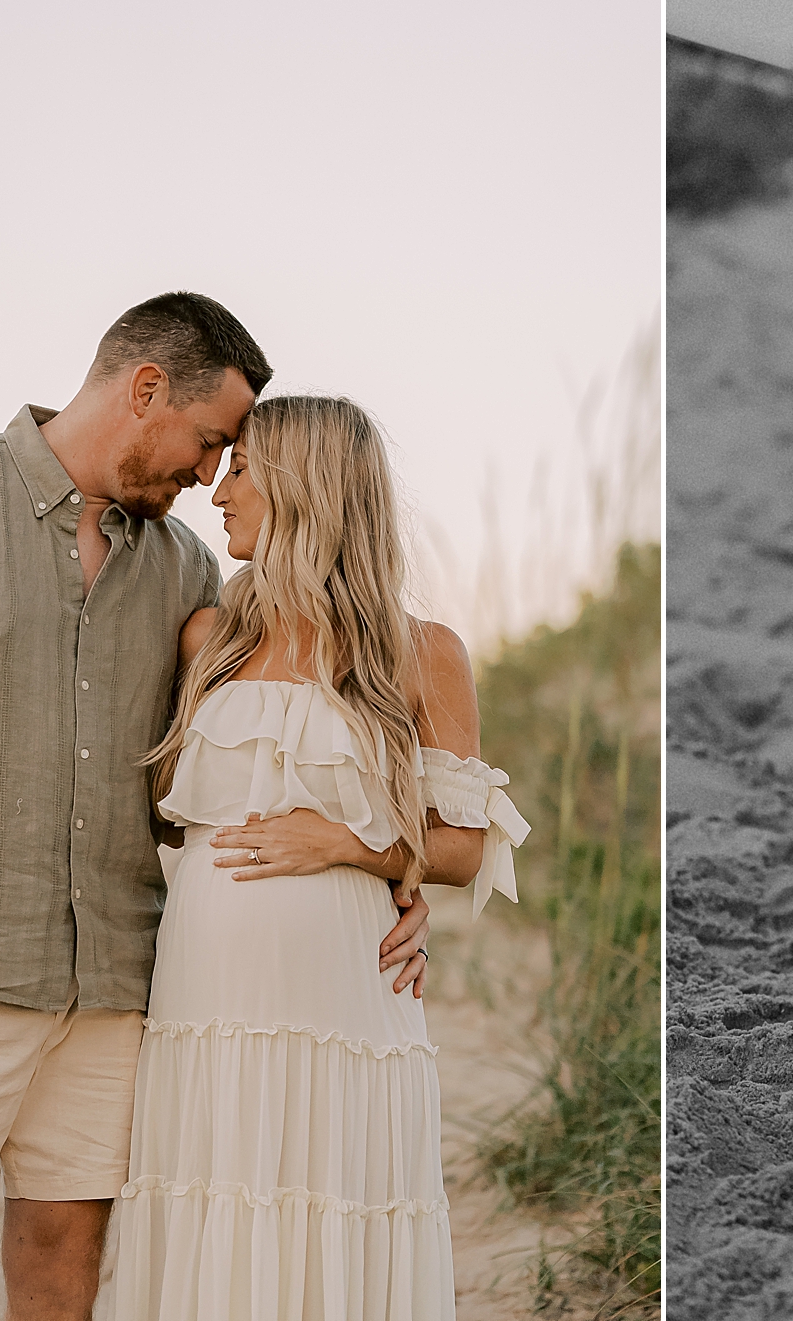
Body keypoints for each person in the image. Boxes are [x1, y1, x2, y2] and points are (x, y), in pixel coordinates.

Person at [0, 294, 432, 1320]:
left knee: (63, 1284)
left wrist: (396, 868)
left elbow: (273, 740)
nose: (210, 476)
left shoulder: (187, 571)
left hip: (114, 992)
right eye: (207, 442)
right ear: (145, 389)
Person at [98, 394, 531, 1319]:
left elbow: (460, 845)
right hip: (204, 998)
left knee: (335, 1212)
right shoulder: (210, 641)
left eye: (243, 467)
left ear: (305, 484)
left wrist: (359, 849)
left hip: (346, 996)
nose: (219, 490)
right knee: (213, 1209)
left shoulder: (422, 654)